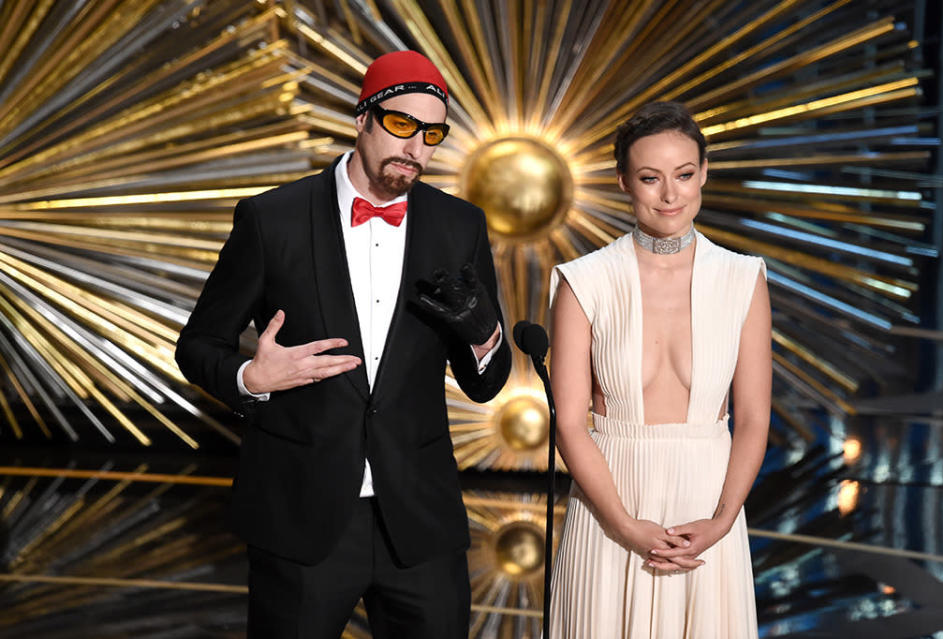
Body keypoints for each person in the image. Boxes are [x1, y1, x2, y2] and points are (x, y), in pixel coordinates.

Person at [175, 50, 511, 638]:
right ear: (363, 118)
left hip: (419, 519)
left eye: (431, 134)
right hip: (301, 515)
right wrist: (252, 379)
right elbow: (197, 345)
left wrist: (484, 334)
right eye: (401, 125)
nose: (415, 148)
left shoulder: (460, 226)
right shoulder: (271, 219)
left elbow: (484, 383)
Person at [547, 101, 770, 637]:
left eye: (684, 175)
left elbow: (755, 418)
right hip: (609, 511)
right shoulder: (584, 281)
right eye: (650, 178)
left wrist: (721, 521)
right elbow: (570, 423)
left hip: (707, 517)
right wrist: (626, 526)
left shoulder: (743, 278)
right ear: (624, 181)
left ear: (703, 174)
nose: (671, 195)